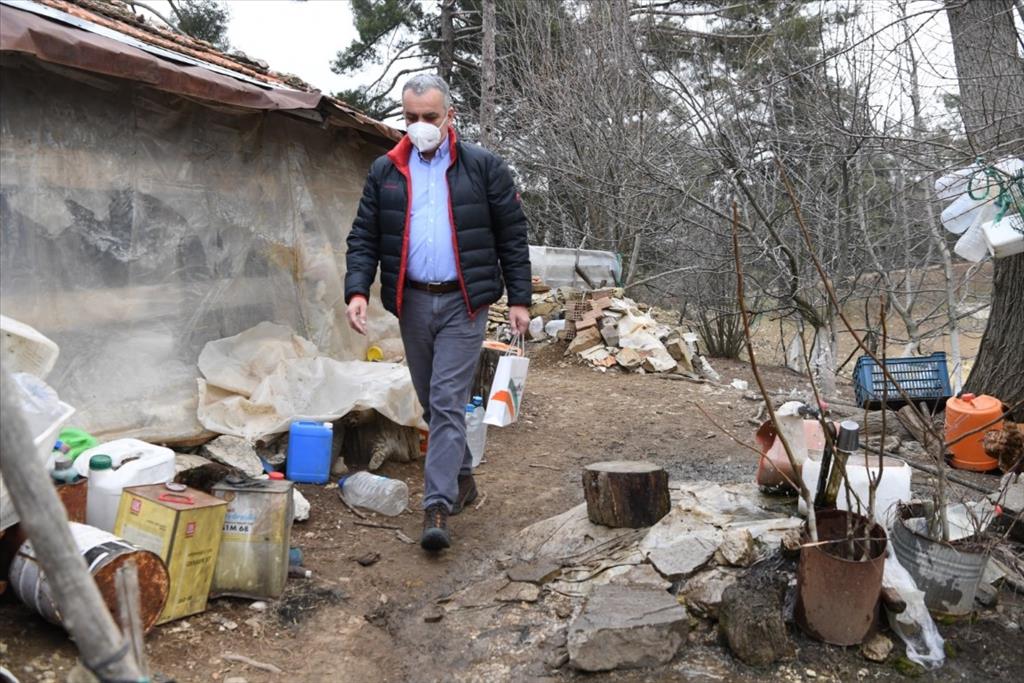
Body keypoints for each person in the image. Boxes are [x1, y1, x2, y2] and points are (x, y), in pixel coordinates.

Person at [344, 74, 531, 552]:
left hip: (464, 302)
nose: (420, 125)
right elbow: (364, 236)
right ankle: (462, 478)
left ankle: (437, 505)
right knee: (432, 402)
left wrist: (519, 298)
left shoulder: (483, 168)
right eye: (411, 117)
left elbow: (512, 235)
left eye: (430, 116)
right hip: (411, 301)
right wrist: (357, 290)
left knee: (447, 401)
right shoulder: (386, 171)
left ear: (450, 115)